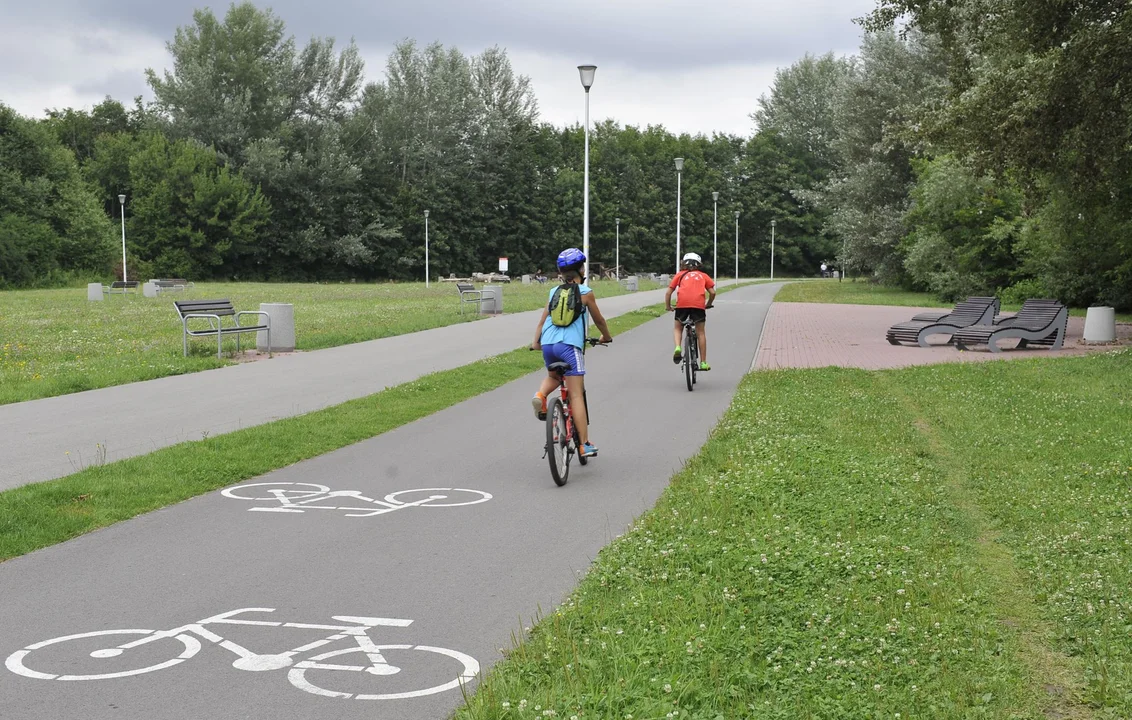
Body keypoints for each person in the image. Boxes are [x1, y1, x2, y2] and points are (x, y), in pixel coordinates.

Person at [530, 248, 613, 458]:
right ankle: (584, 444)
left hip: (549, 345)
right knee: (576, 394)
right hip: (569, 347)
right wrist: (606, 336)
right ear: (581, 269)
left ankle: (540, 395)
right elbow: (599, 320)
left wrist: (536, 343)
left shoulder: (553, 292)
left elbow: (542, 320)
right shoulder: (585, 292)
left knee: (554, 376)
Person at [666, 252, 716, 371]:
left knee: (678, 328)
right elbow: (713, 293)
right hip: (698, 306)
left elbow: (668, 292)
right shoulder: (703, 276)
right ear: (699, 265)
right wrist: (708, 304)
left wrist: (668, 306)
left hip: (682, 305)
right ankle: (703, 362)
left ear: (683, 263)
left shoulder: (680, 275)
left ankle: (678, 347)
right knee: (701, 333)